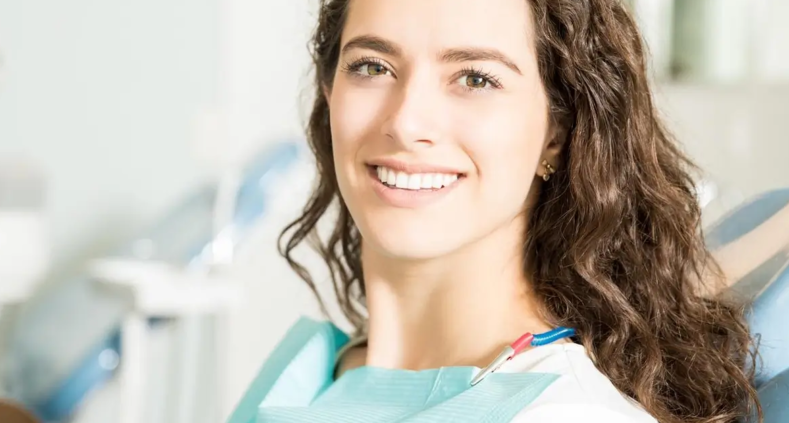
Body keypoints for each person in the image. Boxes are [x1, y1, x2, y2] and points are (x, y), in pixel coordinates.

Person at [277, 0, 761, 421]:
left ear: (557, 132)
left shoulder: (567, 414)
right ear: (329, 91)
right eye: (372, 66)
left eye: (474, 78)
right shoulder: (316, 371)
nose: (405, 123)